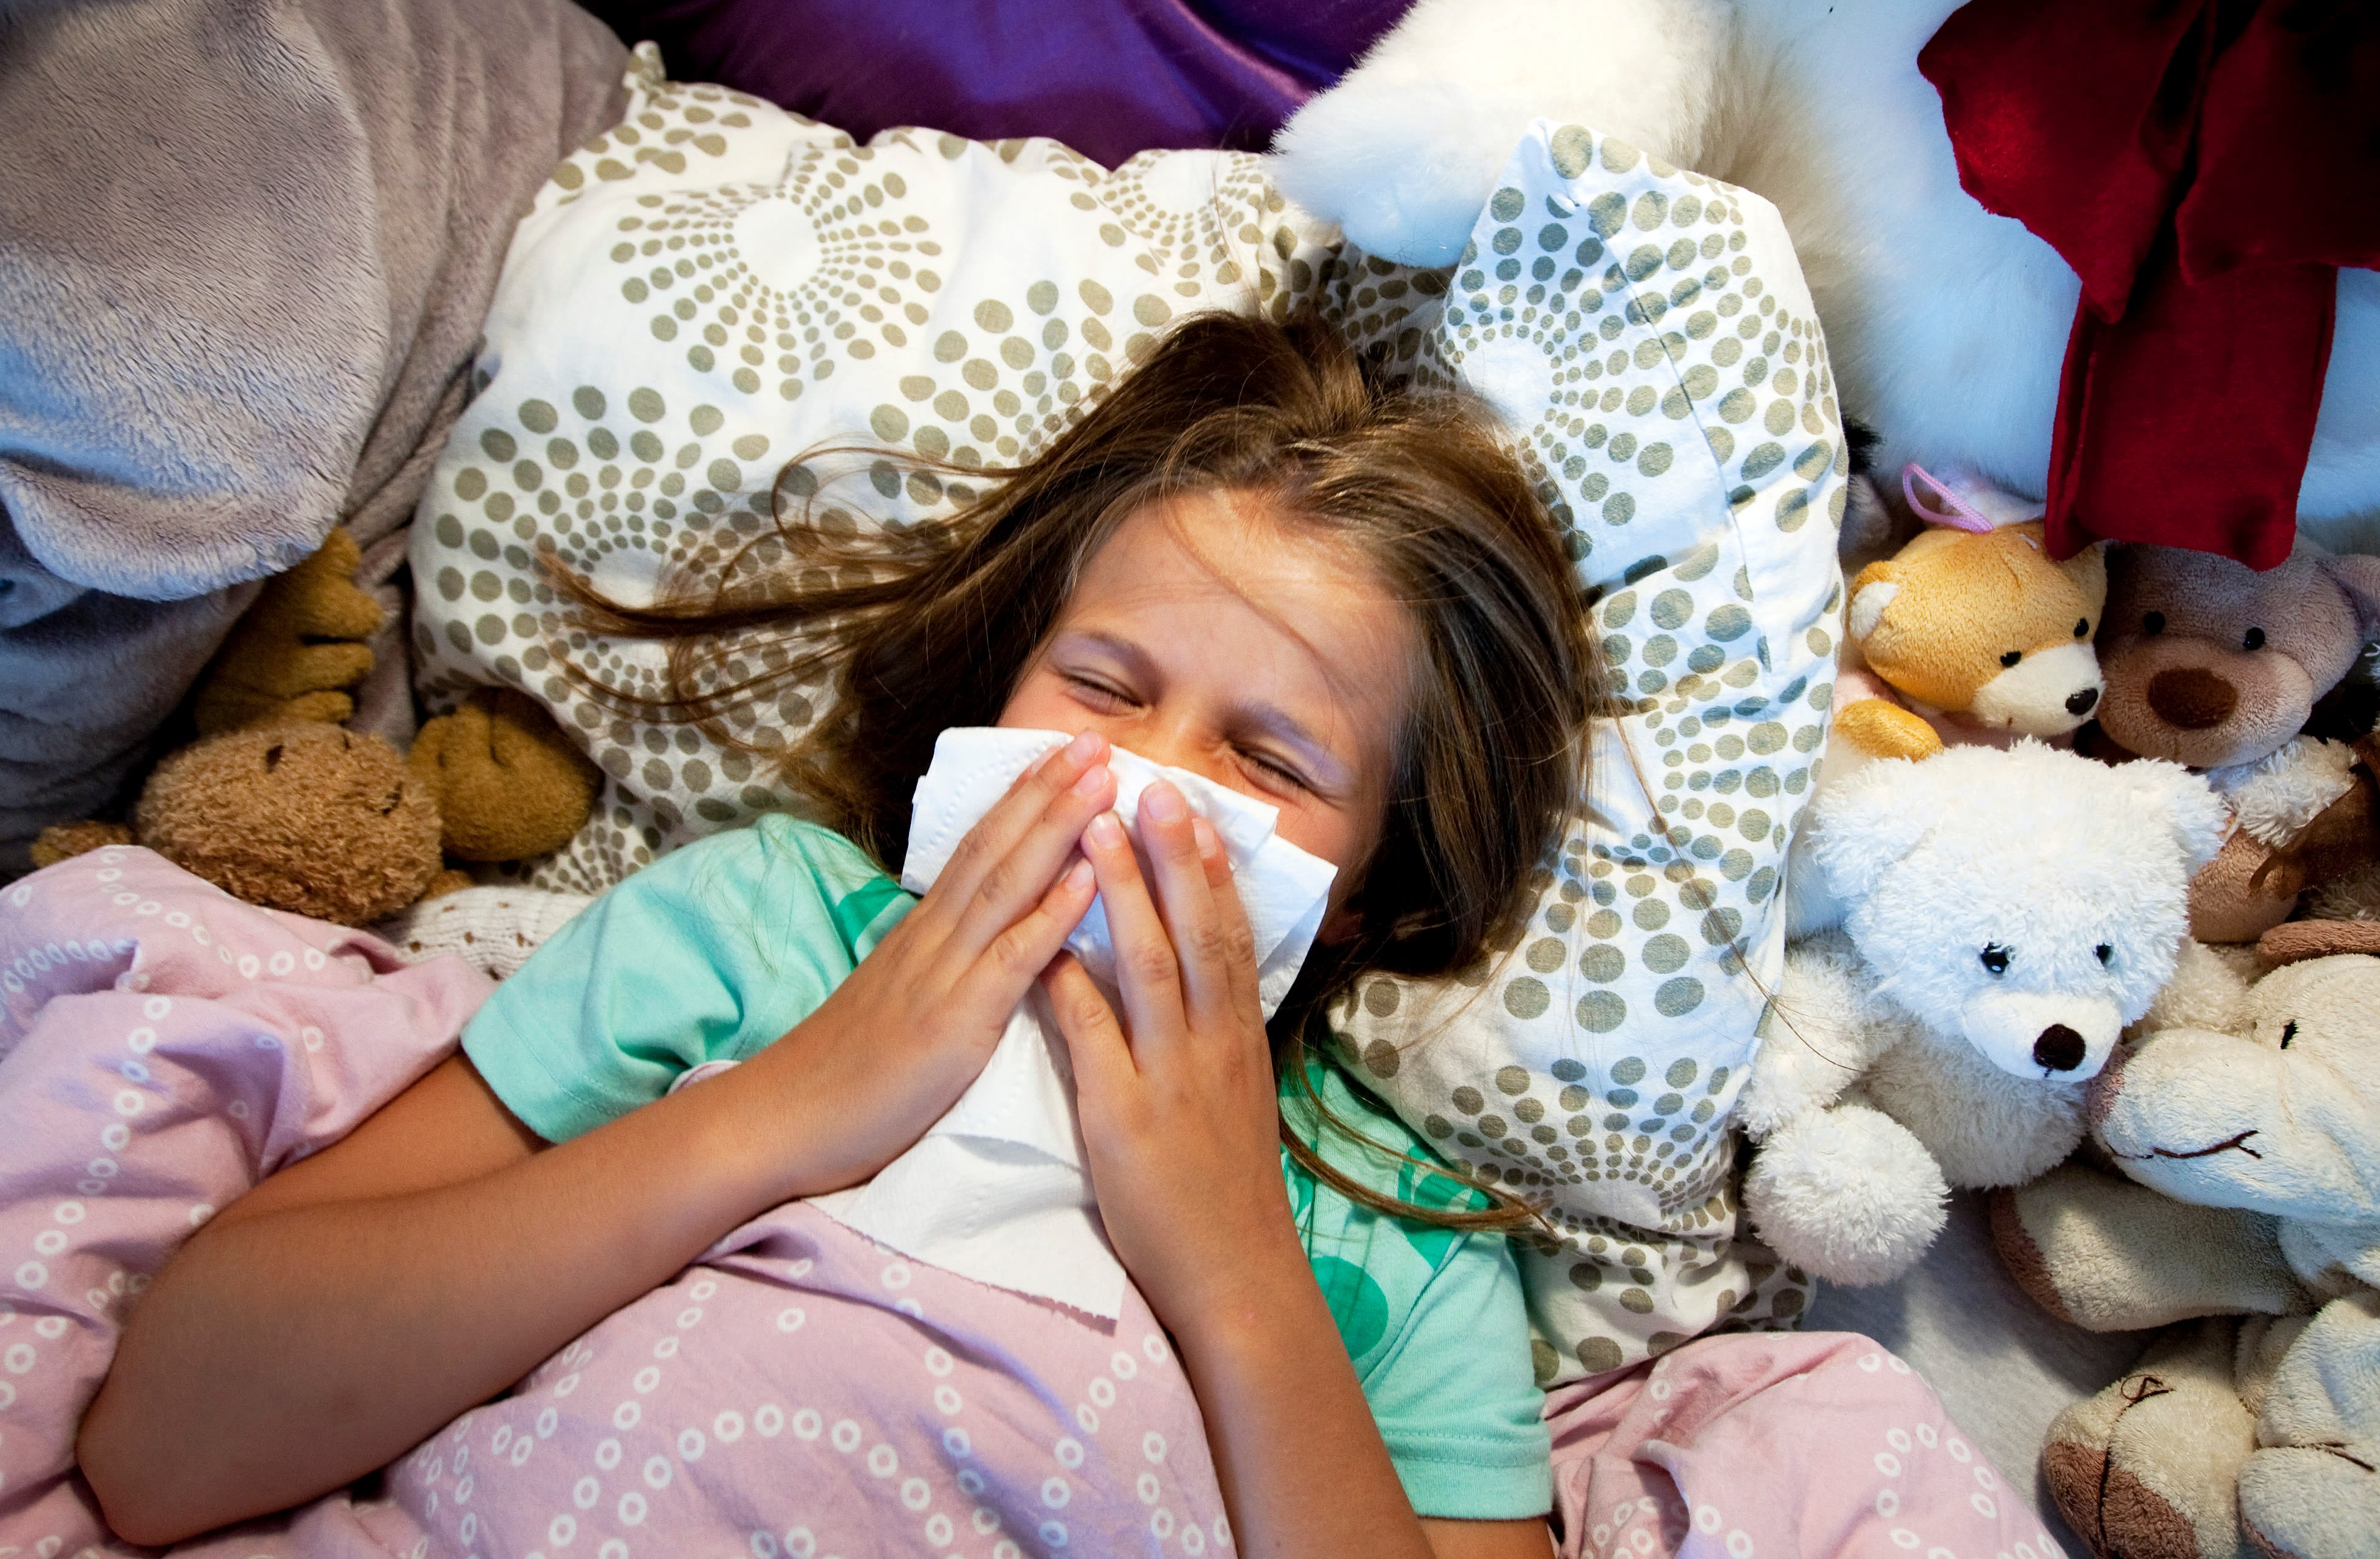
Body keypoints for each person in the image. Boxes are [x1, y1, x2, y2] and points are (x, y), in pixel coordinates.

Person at [78, 312, 1601, 1557]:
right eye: (1103, 686)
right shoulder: (759, 927)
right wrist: (793, 1107)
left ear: (1370, 892)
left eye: (1267, 761)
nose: (1139, 784)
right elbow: (167, 1448)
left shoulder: (1395, 1241)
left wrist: (1235, 1264)